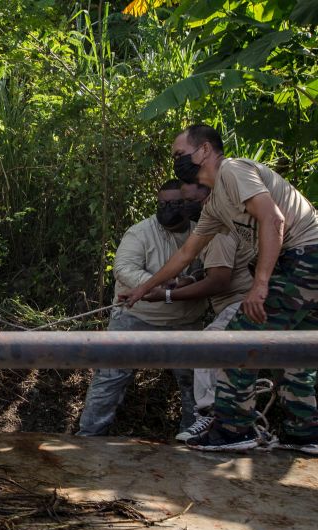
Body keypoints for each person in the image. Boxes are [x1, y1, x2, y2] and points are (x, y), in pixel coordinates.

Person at [123, 124, 318, 453]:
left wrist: (260, 284)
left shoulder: (233, 170)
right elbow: (186, 254)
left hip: (304, 259)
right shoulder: (215, 206)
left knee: (234, 340)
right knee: (295, 349)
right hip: (304, 263)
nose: (176, 161)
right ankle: (306, 431)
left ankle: (233, 429)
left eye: (179, 154)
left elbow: (274, 220)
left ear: (203, 152)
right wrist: (144, 288)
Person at [76, 180, 207, 437]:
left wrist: (186, 283)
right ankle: (88, 437)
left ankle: (194, 438)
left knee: (195, 384)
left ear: (189, 203)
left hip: (185, 321)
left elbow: (208, 271)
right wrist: (162, 285)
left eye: (176, 204)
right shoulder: (140, 232)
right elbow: (124, 269)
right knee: (109, 379)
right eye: (162, 204)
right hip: (136, 317)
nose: (168, 209)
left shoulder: (202, 233)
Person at [135, 182, 260, 442]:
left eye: (187, 201)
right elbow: (201, 267)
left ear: (207, 198)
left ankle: (212, 418)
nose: (183, 207)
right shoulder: (212, 226)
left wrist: (167, 294)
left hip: (244, 303)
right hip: (240, 304)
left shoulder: (219, 229)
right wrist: (183, 281)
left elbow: (219, 280)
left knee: (207, 346)